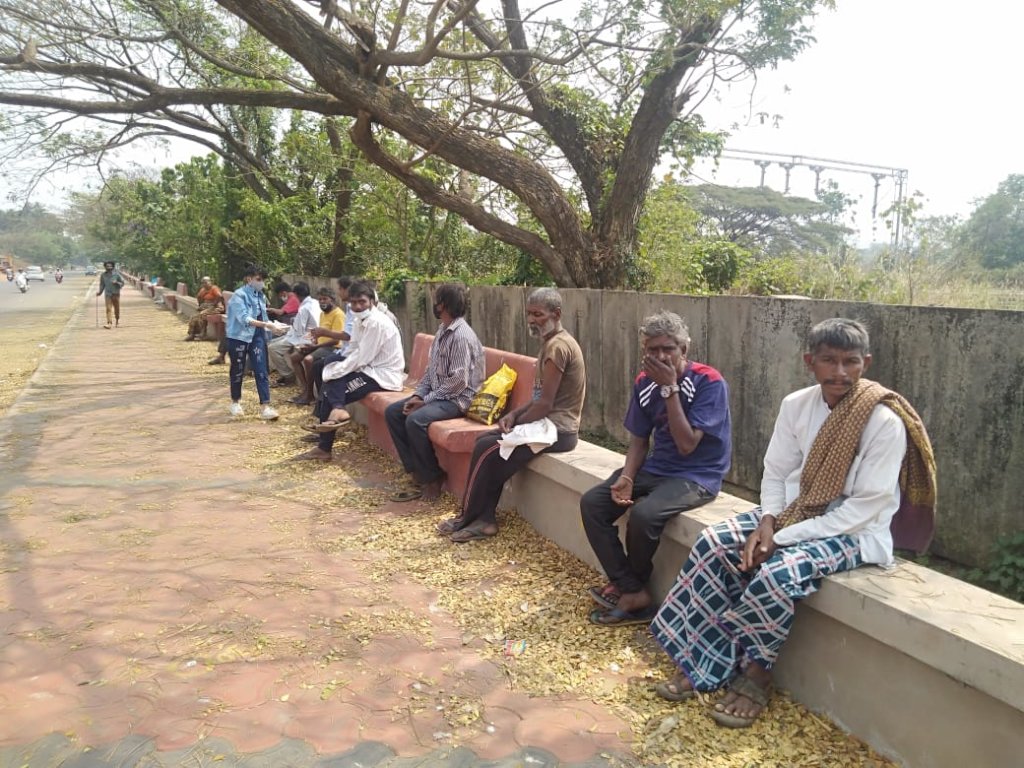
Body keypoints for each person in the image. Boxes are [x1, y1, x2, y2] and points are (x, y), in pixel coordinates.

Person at [650, 318, 936, 729]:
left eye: (851, 362)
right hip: (791, 511)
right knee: (714, 542)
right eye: (829, 361)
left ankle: (756, 673)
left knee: (778, 573)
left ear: (866, 363)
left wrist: (780, 537)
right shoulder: (796, 405)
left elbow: (865, 507)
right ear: (810, 362)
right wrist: (767, 521)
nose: (840, 372)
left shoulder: (884, 422)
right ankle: (703, 660)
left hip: (854, 530)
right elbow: (776, 471)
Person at [582, 311, 732, 627]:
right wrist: (627, 476)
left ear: (684, 349)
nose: (661, 356)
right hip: (658, 467)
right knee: (593, 503)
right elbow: (639, 439)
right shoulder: (643, 382)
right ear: (644, 351)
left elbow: (687, 445)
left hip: (698, 475)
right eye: (653, 350)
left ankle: (631, 590)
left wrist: (670, 389)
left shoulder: (709, 382)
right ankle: (631, 588)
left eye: (669, 348)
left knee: (644, 515)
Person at [438, 288, 586, 543]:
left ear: (557, 314)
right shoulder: (551, 343)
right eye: (529, 314)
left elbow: (545, 405)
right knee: (487, 446)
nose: (531, 320)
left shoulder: (558, 348)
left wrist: (514, 423)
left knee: (486, 448)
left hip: (558, 431)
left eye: (538, 314)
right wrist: (514, 415)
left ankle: (468, 517)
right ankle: (483, 519)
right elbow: (538, 399)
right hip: (546, 426)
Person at [385, 284, 485, 502]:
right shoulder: (442, 331)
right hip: (440, 395)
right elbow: (431, 372)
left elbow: (459, 382)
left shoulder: (461, 336)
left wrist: (426, 401)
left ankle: (433, 477)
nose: (434, 304)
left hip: (459, 399)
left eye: (436, 300)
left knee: (415, 420)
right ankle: (416, 471)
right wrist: (418, 396)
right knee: (393, 412)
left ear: (444, 305)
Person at [295, 280, 405, 461]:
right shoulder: (360, 319)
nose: (358, 306)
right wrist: (335, 366)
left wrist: (336, 371)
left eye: (362, 302)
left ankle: (326, 441)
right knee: (329, 364)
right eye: (354, 303)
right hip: (367, 368)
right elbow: (353, 348)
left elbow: (361, 357)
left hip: (382, 375)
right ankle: (331, 423)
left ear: (371, 301)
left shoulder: (376, 323)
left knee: (330, 386)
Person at [225, 264, 284, 420]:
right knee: (237, 369)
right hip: (238, 336)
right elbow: (244, 318)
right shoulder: (239, 296)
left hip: (257, 335)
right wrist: (266, 325)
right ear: (249, 279)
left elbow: (263, 318)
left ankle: (265, 406)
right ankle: (235, 402)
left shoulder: (261, 296)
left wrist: (274, 327)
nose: (261, 282)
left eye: (263, 279)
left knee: (261, 369)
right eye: (258, 279)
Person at [288, 287, 346, 406]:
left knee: (308, 360)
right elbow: (318, 334)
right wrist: (312, 343)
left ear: (332, 299)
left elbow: (336, 340)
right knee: (294, 357)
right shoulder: (322, 314)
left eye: (325, 299)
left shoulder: (338, 314)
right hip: (320, 346)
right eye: (320, 299)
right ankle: (305, 390)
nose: (322, 302)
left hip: (333, 348)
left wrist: (315, 347)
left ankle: (310, 395)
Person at [267, 281, 320, 385]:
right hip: (306, 334)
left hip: (305, 337)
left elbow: (299, 331)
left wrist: (288, 330)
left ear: (296, 295)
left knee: (272, 348)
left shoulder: (304, 308)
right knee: (273, 342)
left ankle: (288, 375)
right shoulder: (315, 302)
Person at [186, 276, 224, 341]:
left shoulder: (214, 288)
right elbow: (199, 297)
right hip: (207, 307)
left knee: (202, 314)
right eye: (203, 283)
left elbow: (219, 296)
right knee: (194, 317)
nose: (204, 284)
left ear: (210, 282)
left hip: (216, 307)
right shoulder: (203, 289)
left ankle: (203, 333)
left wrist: (213, 304)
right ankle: (191, 334)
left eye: (206, 282)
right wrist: (201, 305)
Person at [97, 261, 125, 329]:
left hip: (116, 294)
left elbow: (122, 283)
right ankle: (109, 323)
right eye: (107, 266)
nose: (109, 267)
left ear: (113, 267)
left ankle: (117, 321)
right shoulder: (103, 275)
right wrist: (100, 292)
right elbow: (102, 284)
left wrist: (117, 282)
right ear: (105, 267)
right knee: (108, 309)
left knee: (117, 308)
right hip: (108, 294)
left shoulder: (117, 274)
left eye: (110, 266)